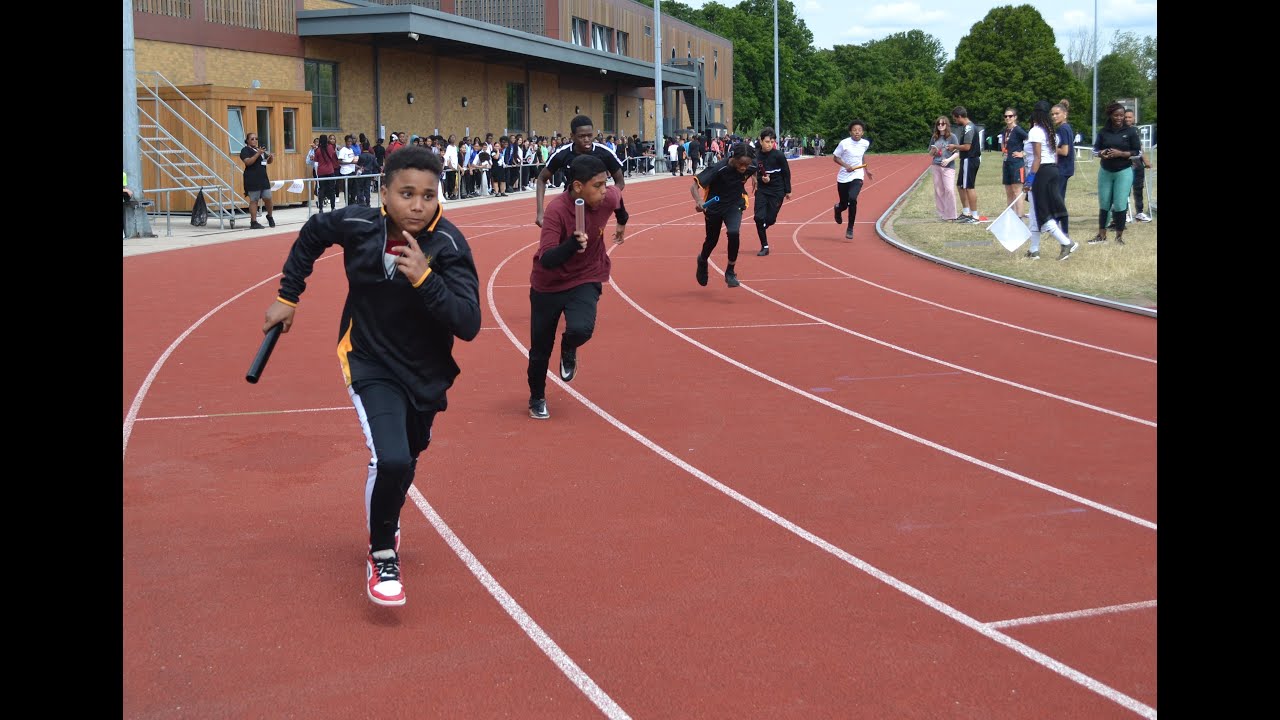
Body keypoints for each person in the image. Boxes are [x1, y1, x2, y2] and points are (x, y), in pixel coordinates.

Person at [259, 146, 481, 607]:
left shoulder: (450, 246)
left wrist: (425, 279)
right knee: (391, 459)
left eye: (428, 195)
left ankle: (387, 514)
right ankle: (383, 552)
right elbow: (313, 233)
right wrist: (288, 295)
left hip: (426, 370)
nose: (417, 205)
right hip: (368, 360)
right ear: (384, 193)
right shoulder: (360, 225)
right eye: (406, 194)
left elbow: (469, 323)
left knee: (409, 456)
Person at [526, 154, 628, 420]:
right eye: (598, 185)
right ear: (578, 186)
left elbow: (619, 201)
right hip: (548, 284)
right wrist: (572, 244)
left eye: (605, 184)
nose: (604, 191)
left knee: (581, 328)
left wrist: (622, 222)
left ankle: (569, 346)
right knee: (540, 350)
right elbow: (547, 258)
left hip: (587, 274)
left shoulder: (608, 198)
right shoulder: (557, 210)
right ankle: (536, 396)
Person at [535, 115, 625, 227]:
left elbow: (620, 182)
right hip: (569, 206)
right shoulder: (562, 154)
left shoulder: (605, 153)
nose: (587, 139)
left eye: (589, 135)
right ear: (572, 136)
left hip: (595, 208)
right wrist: (540, 212)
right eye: (582, 136)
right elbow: (541, 179)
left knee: (590, 241)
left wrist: (603, 198)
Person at [690, 142, 756, 288]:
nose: (744, 168)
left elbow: (756, 167)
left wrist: (755, 177)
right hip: (714, 207)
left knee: (734, 232)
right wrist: (699, 200)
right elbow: (694, 186)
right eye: (741, 164)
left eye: (747, 164)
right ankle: (702, 260)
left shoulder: (751, 165)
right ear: (734, 157)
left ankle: (730, 271)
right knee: (712, 240)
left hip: (734, 204)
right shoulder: (718, 168)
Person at [1021, 100, 1078, 261]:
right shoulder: (1050, 131)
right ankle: (1034, 249)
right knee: (1034, 212)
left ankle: (1066, 242)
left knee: (1042, 212)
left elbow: (1037, 158)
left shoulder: (1036, 131)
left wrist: (1029, 180)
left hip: (1041, 172)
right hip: (1052, 170)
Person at [1088, 101, 1143, 246]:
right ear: (1110, 116)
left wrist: (1122, 153)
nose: (1119, 118)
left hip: (1123, 171)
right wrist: (1102, 153)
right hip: (1106, 171)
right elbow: (1094, 150)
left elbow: (1138, 152)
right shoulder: (1103, 132)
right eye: (1116, 115)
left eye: (1122, 116)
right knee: (1104, 202)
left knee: (1119, 204)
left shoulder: (1130, 132)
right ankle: (1101, 235)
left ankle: (1119, 236)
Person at [752, 127, 791, 256]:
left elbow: (786, 173)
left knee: (770, 219)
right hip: (762, 190)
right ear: (761, 141)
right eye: (767, 141)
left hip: (777, 190)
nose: (770, 144)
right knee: (758, 218)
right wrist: (757, 178)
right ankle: (765, 246)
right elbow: (751, 169)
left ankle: (764, 225)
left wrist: (788, 190)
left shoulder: (778, 155)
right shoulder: (756, 155)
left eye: (772, 142)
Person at [832, 119, 873, 240]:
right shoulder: (844, 143)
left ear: (863, 132)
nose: (857, 132)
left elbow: (862, 155)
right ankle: (838, 209)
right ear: (850, 132)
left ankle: (850, 228)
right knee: (844, 204)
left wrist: (866, 169)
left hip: (857, 175)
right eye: (854, 130)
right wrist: (846, 166)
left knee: (853, 198)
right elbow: (835, 158)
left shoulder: (865, 143)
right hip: (843, 177)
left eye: (859, 130)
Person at [948, 106, 983, 223]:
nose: (955, 122)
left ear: (959, 116)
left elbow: (967, 147)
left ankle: (974, 216)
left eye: (955, 119)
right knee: (960, 186)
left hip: (970, 159)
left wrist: (955, 147)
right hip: (966, 159)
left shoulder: (969, 127)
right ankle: (966, 212)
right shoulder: (966, 127)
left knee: (969, 187)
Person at [239, 131, 275, 229]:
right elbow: (248, 162)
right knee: (254, 200)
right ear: (247, 141)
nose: (255, 140)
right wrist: (258, 153)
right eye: (252, 139)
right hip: (252, 179)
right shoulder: (245, 150)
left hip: (263, 178)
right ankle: (253, 222)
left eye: (256, 138)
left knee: (268, 198)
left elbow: (268, 162)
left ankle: (270, 216)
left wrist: (271, 157)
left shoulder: (260, 150)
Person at [998, 107, 1029, 220]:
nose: (1007, 118)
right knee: (1009, 191)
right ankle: (1010, 216)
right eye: (1006, 116)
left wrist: (1023, 153)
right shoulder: (1005, 130)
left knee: (1017, 190)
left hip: (1017, 163)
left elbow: (1031, 142)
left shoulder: (1018, 130)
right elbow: (1003, 143)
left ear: (1015, 117)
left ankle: (1019, 216)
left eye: (1010, 116)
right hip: (1007, 162)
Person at [1123, 108, 1153, 223]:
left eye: (1130, 117)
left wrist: (1146, 162)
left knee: (1139, 188)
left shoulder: (1135, 130)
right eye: (1126, 117)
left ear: (1134, 118)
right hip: (1126, 162)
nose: (1127, 119)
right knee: (1125, 189)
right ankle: (1124, 213)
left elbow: (1140, 147)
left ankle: (1139, 212)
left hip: (1138, 163)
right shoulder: (1120, 130)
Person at [1050, 100, 1076, 234]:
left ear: (1065, 114)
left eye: (1057, 114)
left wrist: (1051, 147)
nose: (1054, 116)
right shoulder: (1064, 128)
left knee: (1057, 198)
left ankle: (1059, 228)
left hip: (1062, 168)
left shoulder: (1062, 129)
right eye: (1053, 114)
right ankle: (1056, 226)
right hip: (1064, 168)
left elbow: (1064, 151)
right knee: (1058, 197)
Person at [928, 116, 959, 222]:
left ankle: (952, 214)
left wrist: (948, 160)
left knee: (949, 190)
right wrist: (933, 150)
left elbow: (957, 153)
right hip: (936, 165)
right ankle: (942, 213)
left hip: (948, 167)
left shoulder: (952, 137)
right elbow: (930, 154)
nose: (940, 126)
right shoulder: (934, 137)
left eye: (943, 124)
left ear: (947, 125)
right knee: (939, 190)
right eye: (939, 124)